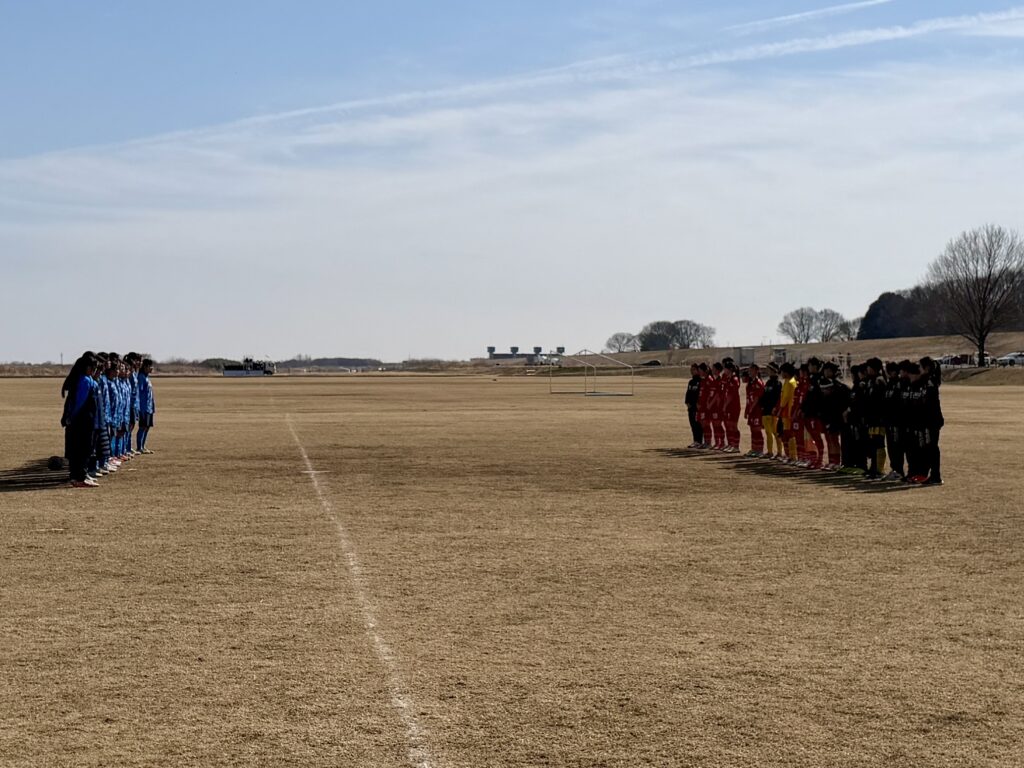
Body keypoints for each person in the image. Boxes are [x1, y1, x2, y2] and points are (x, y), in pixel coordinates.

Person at [61, 354, 99, 487]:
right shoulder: (84, 381)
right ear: (88, 367)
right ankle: (80, 477)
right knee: (84, 449)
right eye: (94, 367)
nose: (95, 370)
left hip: (83, 420)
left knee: (80, 449)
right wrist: (71, 417)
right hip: (83, 420)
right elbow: (79, 402)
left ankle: (76, 476)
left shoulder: (86, 379)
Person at [862, 358, 889, 480]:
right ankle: (872, 468)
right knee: (872, 444)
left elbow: (881, 402)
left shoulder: (880, 381)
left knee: (878, 444)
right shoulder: (870, 381)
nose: (867, 370)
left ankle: (879, 469)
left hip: (878, 419)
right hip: (871, 419)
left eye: (868, 367)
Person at [777, 362, 799, 462]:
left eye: (782, 371)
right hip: (787, 411)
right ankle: (789, 455)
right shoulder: (788, 381)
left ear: (786, 372)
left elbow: (786, 397)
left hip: (789, 411)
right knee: (786, 433)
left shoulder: (791, 382)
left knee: (790, 434)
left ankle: (793, 456)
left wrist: (780, 408)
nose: (781, 374)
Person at [759, 364, 782, 459]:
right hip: (765, 411)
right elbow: (764, 395)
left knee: (776, 433)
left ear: (773, 370)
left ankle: (780, 453)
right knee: (768, 432)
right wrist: (761, 406)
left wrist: (775, 408)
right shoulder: (768, 382)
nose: (767, 371)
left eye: (769, 369)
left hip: (773, 412)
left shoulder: (778, 383)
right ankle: (769, 452)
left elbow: (778, 398)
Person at [743, 365, 765, 457]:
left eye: (751, 370)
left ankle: (760, 449)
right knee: (752, 429)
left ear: (756, 371)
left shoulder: (758, 383)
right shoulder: (750, 383)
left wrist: (752, 408)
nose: (749, 372)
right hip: (751, 409)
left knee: (757, 429)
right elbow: (749, 397)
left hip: (757, 410)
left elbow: (757, 398)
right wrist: (747, 410)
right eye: (749, 370)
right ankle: (754, 448)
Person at [721, 363, 742, 452]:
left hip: (734, 406)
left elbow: (731, 395)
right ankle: (731, 444)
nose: (724, 371)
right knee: (729, 426)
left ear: (729, 369)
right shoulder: (729, 379)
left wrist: (725, 406)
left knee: (733, 426)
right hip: (729, 406)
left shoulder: (734, 379)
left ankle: (736, 446)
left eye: (725, 369)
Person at [137, 359, 156, 454]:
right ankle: (139, 447)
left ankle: (143, 446)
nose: (151, 368)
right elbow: (139, 393)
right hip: (143, 407)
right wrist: (140, 408)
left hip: (149, 407)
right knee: (142, 426)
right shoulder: (141, 377)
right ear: (145, 367)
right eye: (150, 366)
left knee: (147, 427)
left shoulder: (147, 378)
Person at [684, 364, 703, 448]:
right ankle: (695, 441)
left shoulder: (701, 382)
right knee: (692, 424)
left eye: (694, 370)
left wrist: (698, 404)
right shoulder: (691, 382)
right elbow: (688, 393)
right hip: (690, 407)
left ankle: (699, 441)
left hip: (697, 407)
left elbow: (700, 394)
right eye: (691, 370)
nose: (692, 371)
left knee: (697, 425)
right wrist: (687, 402)